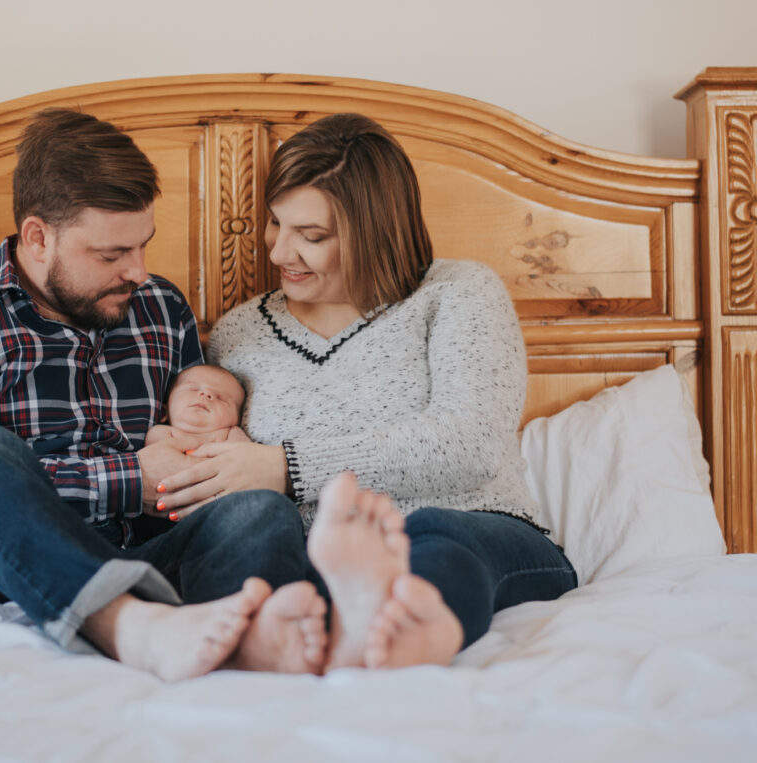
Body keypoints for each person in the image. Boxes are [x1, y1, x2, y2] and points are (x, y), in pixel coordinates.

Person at [0, 108, 330, 681]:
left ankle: (239, 641)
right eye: (112, 255)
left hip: (139, 565)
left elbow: (197, 448)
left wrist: (211, 463)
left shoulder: (161, 308)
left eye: (143, 245)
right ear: (38, 238)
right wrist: (130, 480)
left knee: (258, 512)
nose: (139, 272)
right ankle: (126, 626)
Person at [154, 112, 579, 670]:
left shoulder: (457, 294)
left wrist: (288, 467)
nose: (280, 252)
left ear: (374, 231)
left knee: (430, 533)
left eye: (311, 236)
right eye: (275, 224)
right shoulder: (239, 332)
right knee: (260, 535)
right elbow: (212, 454)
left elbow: (469, 443)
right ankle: (306, 633)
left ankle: (407, 636)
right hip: (308, 562)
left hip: (475, 531)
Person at [145, 364, 250, 448]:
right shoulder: (161, 432)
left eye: (221, 398)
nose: (206, 394)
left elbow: (244, 455)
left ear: (236, 421)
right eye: (193, 389)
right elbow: (157, 456)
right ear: (164, 412)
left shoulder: (232, 434)